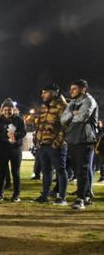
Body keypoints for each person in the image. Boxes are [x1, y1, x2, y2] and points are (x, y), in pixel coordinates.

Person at [61, 79, 99, 210]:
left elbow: (82, 117)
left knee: (82, 169)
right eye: (70, 89)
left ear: (83, 89)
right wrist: (73, 113)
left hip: (85, 140)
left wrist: (71, 116)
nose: (71, 91)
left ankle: (81, 199)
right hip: (73, 139)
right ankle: (86, 196)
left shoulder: (89, 101)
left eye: (74, 89)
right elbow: (62, 119)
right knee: (78, 170)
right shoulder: (72, 103)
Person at [33, 83, 68, 205]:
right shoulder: (44, 106)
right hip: (43, 145)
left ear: (54, 93)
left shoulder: (62, 106)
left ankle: (62, 197)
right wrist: (37, 140)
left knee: (60, 170)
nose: (42, 94)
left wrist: (57, 142)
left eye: (45, 92)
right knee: (46, 171)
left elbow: (65, 127)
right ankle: (45, 195)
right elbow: (40, 125)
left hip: (55, 145)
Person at [0, 98, 26, 202]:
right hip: (2, 149)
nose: (7, 112)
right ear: (2, 110)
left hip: (15, 149)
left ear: (13, 109)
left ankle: (16, 195)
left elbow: (23, 132)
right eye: (5, 109)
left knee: (16, 173)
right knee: (1, 173)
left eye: (10, 109)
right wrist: (6, 136)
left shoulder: (19, 120)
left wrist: (15, 135)